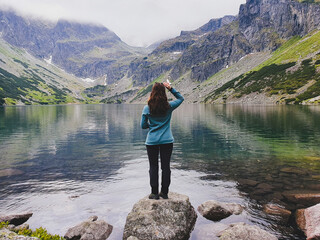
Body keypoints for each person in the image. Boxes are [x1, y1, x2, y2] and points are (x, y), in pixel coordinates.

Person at [140, 82, 184, 200]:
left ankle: (154, 193)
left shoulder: (147, 108)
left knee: (153, 167)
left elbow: (143, 126)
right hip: (167, 141)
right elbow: (181, 98)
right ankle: (164, 193)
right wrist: (170, 88)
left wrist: (152, 126)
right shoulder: (169, 106)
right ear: (164, 93)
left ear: (152, 93)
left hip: (151, 142)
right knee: (166, 167)